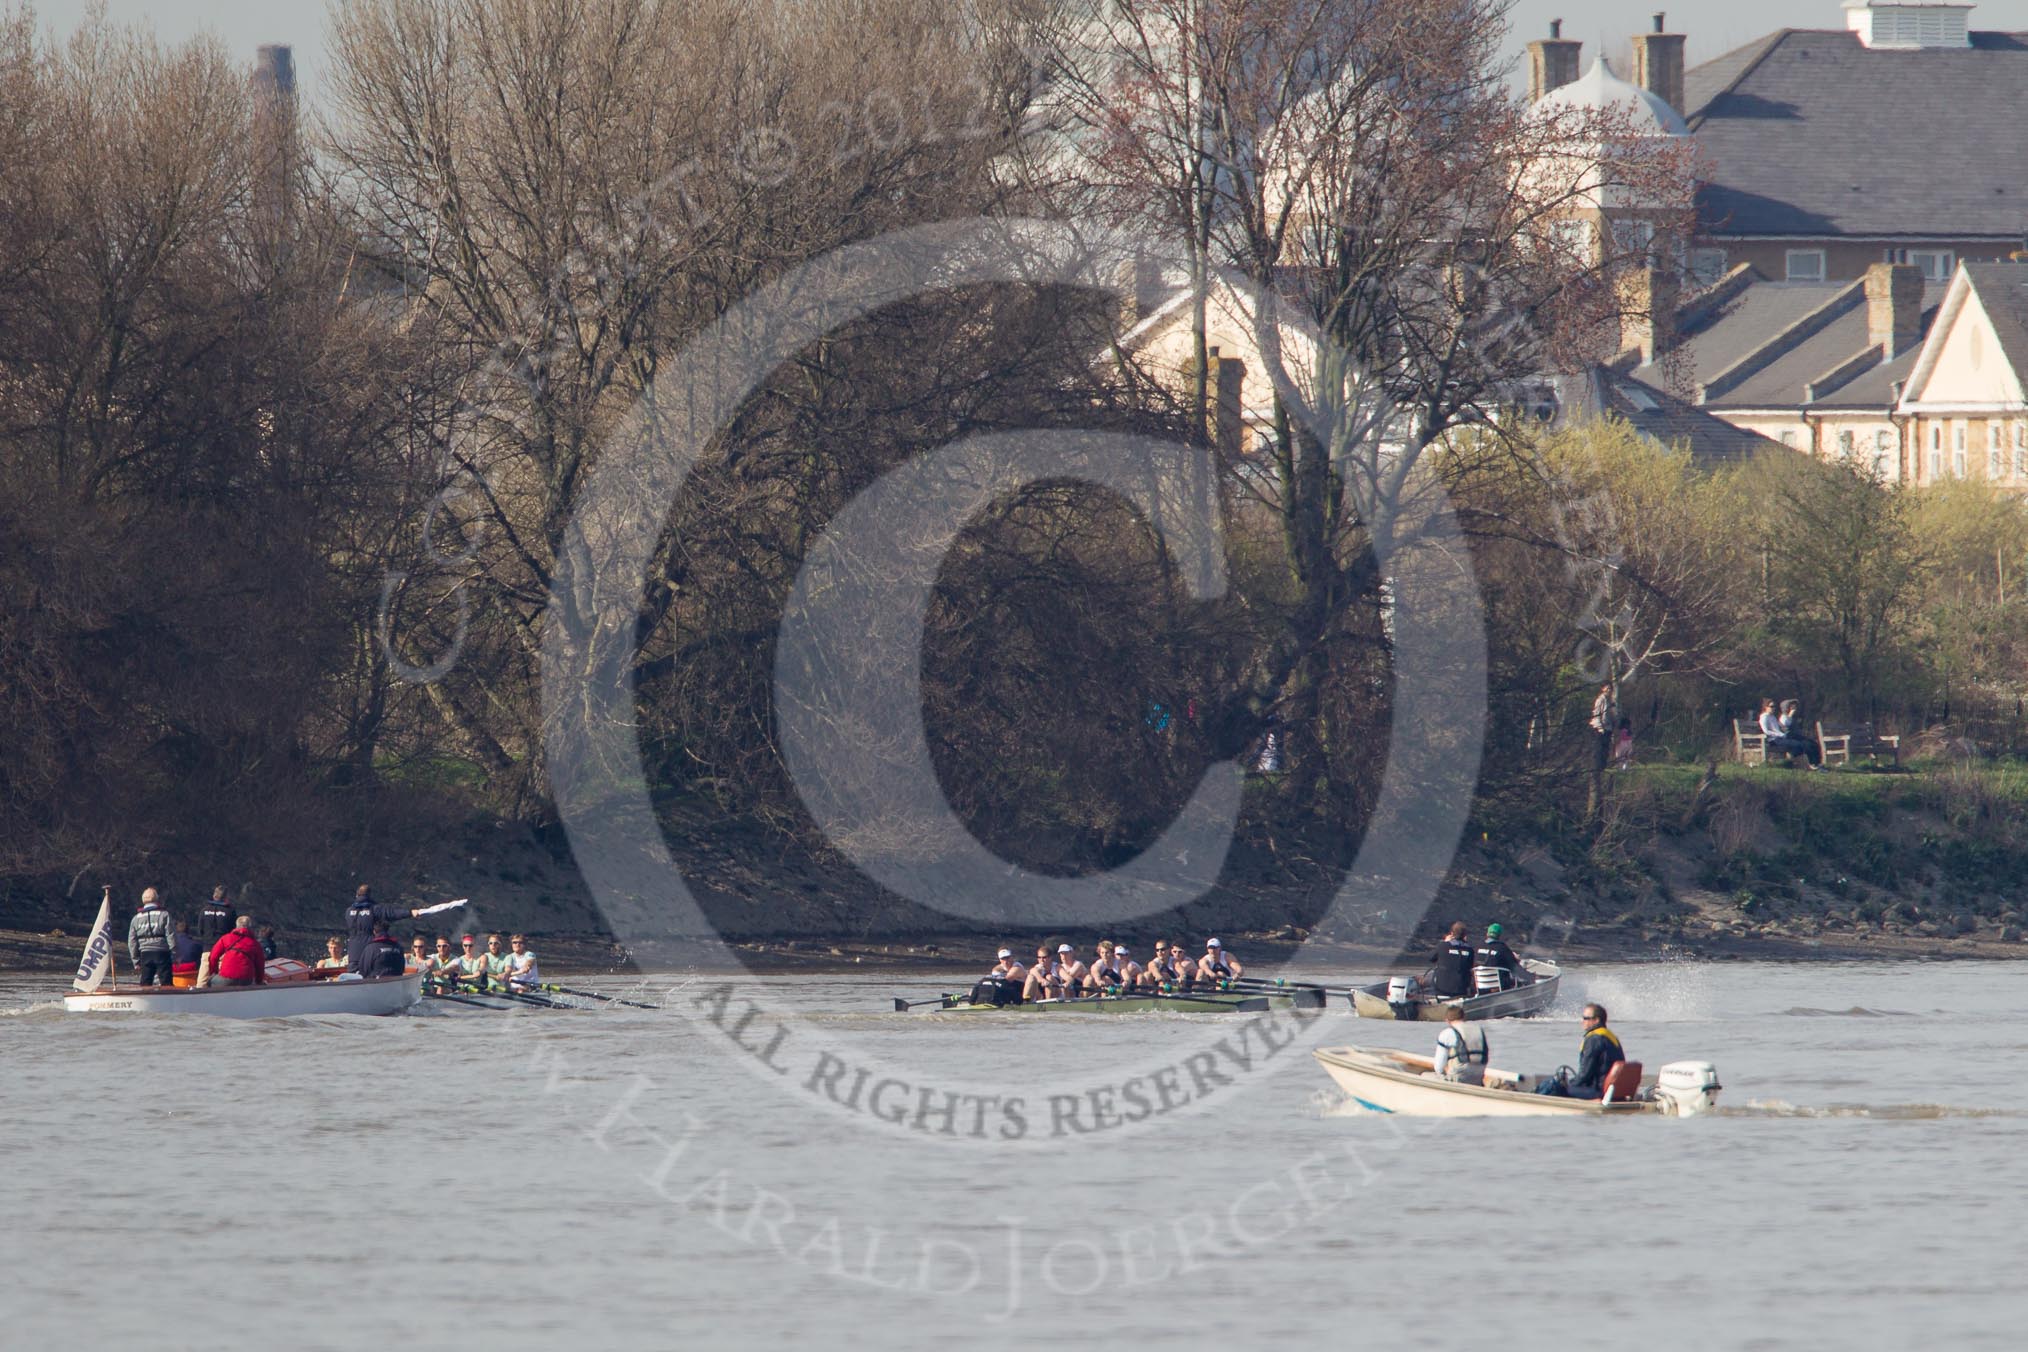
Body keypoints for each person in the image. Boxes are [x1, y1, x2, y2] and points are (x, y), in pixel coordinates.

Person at [1535, 1003, 1625, 1099]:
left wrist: (1567, 1084)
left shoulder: (1594, 1039)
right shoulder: (1611, 1037)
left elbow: (1585, 1075)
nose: (1582, 1021)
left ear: (1596, 1020)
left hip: (1597, 1091)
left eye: (1585, 1018)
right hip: (1609, 1091)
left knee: (1553, 1086)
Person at [345, 885, 424, 973]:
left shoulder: (348, 911)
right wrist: (410, 912)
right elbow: (390, 913)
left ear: (357, 895)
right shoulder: (374, 909)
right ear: (369, 896)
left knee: (352, 976)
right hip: (369, 949)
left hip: (353, 952)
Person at [126, 887, 175, 988]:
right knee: (166, 983)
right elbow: (171, 935)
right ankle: (168, 1001)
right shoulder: (164, 915)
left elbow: (132, 941)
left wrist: (135, 960)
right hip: (162, 953)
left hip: (145, 954)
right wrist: (175, 953)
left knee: (145, 982)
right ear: (156, 899)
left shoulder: (136, 918)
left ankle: (145, 1000)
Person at [1432, 1007, 1489, 1086]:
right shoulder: (1478, 1029)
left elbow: (1438, 1067)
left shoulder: (1447, 1033)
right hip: (1480, 1072)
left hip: (1459, 1074)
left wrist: (1442, 1074)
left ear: (1447, 1020)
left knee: (1426, 1075)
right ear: (1463, 1018)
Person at [1759, 698, 1821, 768]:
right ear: (1765, 707)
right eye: (1771, 706)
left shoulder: (1772, 717)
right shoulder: (1764, 717)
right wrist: (1780, 734)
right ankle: (1801, 764)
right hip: (1774, 740)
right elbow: (1766, 731)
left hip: (1782, 737)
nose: (1773, 708)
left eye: (1774, 706)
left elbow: (1779, 727)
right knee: (1798, 745)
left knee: (1806, 743)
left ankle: (1813, 763)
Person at [207, 916, 268, 988]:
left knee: (210, 980)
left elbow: (213, 957)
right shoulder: (255, 943)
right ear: (250, 927)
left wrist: (214, 972)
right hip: (247, 980)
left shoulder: (226, 938)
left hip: (226, 979)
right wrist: (259, 981)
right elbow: (260, 965)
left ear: (236, 926)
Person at [1427, 921, 1476, 999]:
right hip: (1461, 989)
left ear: (1451, 934)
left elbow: (1431, 958)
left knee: (1435, 973)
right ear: (1464, 935)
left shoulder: (1443, 946)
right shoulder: (1470, 950)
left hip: (1442, 989)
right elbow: (1470, 966)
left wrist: (1445, 942)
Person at [1473, 923, 1523, 991]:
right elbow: (1515, 968)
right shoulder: (1503, 949)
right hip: (1499, 988)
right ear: (1500, 936)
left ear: (1487, 934)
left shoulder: (1478, 947)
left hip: (1480, 987)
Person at [1588, 681, 1617, 773]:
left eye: (1610, 688)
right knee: (1599, 749)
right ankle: (1596, 767)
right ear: (1603, 688)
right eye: (1607, 688)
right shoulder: (1600, 699)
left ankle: (1603, 767)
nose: (1609, 690)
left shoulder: (1609, 700)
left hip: (1607, 728)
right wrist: (1600, 727)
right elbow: (1596, 714)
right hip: (1599, 728)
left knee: (1605, 749)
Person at [169, 920, 203, 987]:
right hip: (192, 977)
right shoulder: (196, 944)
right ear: (188, 930)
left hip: (173, 975)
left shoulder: (169, 945)